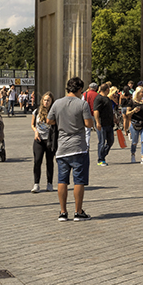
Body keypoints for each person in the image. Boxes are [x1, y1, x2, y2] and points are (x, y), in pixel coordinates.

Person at [50, 76, 94, 220]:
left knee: (62, 180)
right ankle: (78, 211)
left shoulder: (57, 103)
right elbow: (88, 124)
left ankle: (63, 212)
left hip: (62, 147)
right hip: (78, 146)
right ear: (80, 89)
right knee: (79, 180)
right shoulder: (82, 104)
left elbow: (49, 120)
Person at [30, 91, 56, 194]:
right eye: (45, 100)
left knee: (49, 161)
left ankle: (49, 183)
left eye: (48, 100)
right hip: (39, 139)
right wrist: (36, 131)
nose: (46, 102)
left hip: (49, 140)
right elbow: (32, 124)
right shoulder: (36, 111)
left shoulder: (54, 112)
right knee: (37, 161)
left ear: (51, 101)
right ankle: (36, 184)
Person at [93, 84, 116, 165]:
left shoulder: (107, 98)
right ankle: (100, 159)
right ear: (107, 89)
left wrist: (114, 118)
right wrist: (97, 122)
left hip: (109, 123)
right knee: (102, 142)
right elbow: (96, 111)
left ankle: (103, 155)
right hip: (102, 123)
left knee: (111, 141)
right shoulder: (98, 98)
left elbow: (111, 110)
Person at [126, 91, 143, 164]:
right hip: (134, 123)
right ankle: (133, 154)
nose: (142, 93)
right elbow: (127, 113)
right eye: (141, 92)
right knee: (134, 141)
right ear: (137, 93)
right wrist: (133, 111)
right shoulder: (131, 102)